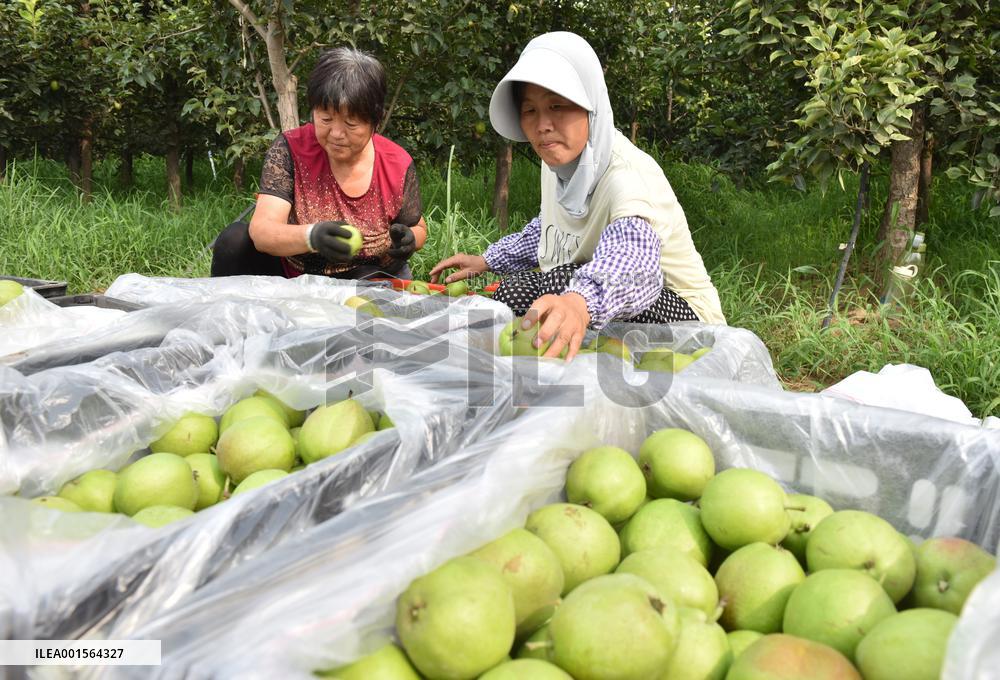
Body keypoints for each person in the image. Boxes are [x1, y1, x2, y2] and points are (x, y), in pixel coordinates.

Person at [430, 32, 725, 360]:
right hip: (605, 302)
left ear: (591, 107)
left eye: (557, 106)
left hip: (688, 325)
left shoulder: (627, 177)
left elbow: (636, 263)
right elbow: (550, 229)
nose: (543, 125)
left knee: (560, 282)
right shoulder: (559, 162)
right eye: (530, 111)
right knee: (511, 295)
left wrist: (578, 303)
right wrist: (489, 260)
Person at [211, 47, 427, 280]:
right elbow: (262, 231)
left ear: (376, 121)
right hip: (296, 276)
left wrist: (410, 239)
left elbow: (417, 226)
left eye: (351, 124)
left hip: (369, 275)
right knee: (234, 240)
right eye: (325, 119)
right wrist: (311, 236)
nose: (336, 133)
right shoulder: (291, 149)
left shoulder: (396, 164)